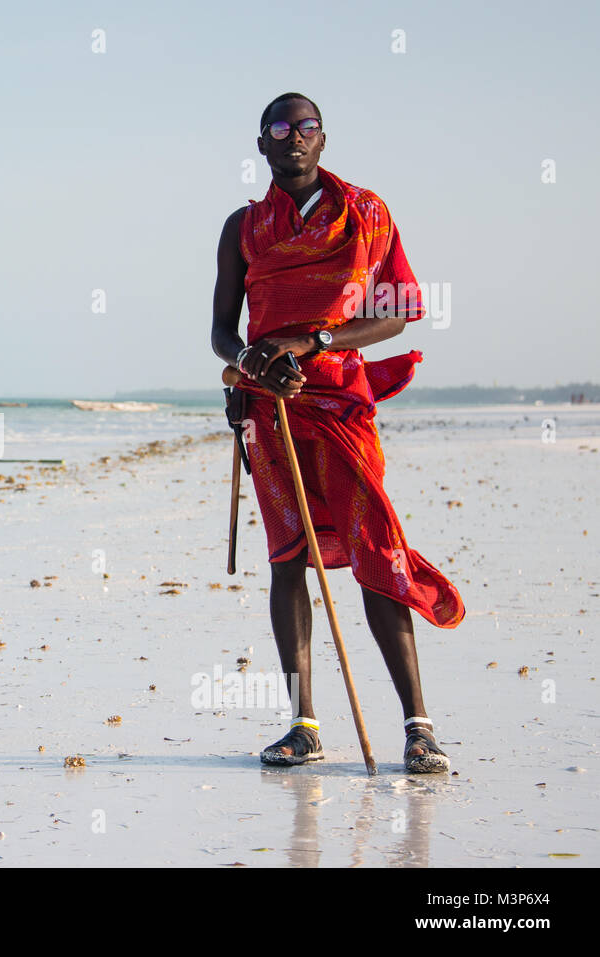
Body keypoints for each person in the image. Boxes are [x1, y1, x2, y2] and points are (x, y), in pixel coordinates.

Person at [210, 92, 465, 773]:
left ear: (324, 140)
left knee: (375, 548)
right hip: (271, 410)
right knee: (289, 557)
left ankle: (418, 726)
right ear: (260, 145)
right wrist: (251, 361)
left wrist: (316, 339)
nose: (293, 138)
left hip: (343, 404)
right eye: (278, 129)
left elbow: (400, 313)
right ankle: (304, 724)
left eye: (306, 127)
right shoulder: (242, 228)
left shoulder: (369, 215)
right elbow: (220, 334)